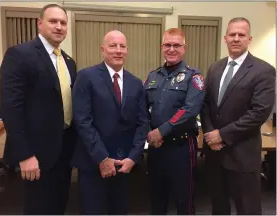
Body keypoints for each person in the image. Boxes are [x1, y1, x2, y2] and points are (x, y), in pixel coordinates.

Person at [0, 4, 77, 214]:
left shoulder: (68, 62)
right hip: (35, 156)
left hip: (63, 152)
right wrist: (25, 155)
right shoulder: (19, 55)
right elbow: (10, 108)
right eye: (53, 21)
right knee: (38, 209)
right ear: (39, 24)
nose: (59, 27)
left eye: (63, 23)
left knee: (59, 206)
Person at [200, 17, 276, 215]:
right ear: (225, 38)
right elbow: (206, 104)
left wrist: (222, 135)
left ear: (249, 38)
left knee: (247, 209)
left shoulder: (264, 70)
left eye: (241, 35)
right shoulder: (215, 68)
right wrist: (210, 134)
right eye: (232, 34)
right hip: (215, 154)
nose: (236, 38)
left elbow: (258, 113)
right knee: (219, 207)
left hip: (243, 155)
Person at [71, 30, 148, 214]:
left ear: (127, 50)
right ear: (103, 49)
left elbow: (142, 122)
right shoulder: (86, 77)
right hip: (94, 164)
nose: (118, 50)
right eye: (113, 46)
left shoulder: (135, 83)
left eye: (122, 46)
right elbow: (82, 121)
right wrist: (102, 158)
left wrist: (133, 157)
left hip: (125, 165)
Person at [144, 28, 205, 215]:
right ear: (162, 47)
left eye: (176, 45)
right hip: (156, 148)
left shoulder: (194, 77)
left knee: (183, 200)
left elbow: (189, 110)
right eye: (168, 45)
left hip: (182, 148)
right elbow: (142, 108)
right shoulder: (153, 76)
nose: (172, 49)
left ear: (184, 48)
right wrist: (149, 131)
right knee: (156, 198)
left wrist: (161, 131)